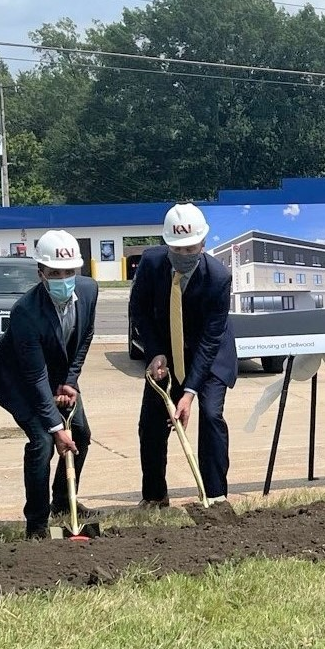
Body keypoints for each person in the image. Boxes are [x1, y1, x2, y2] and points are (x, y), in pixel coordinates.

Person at [0, 229, 98, 538]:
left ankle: (63, 502)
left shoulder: (89, 291)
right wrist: (55, 426)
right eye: (55, 273)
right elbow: (34, 378)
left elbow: (85, 336)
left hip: (57, 374)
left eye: (69, 271)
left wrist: (70, 380)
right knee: (43, 441)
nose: (63, 278)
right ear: (41, 273)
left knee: (82, 434)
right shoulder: (26, 312)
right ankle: (36, 522)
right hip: (15, 379)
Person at [129, 203, 239, 506]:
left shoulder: (218, 277)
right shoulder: (151, 265)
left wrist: (189, 392)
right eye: (177, 249)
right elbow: (139, 312)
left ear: (203, 244)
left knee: (211, 416)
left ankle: (216, 495)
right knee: (152, 422)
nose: (184, 255)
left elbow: (211, 337)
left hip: (211, 353)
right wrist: (155, 353)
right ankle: (154, 497)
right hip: (166, 352)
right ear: (166, 245)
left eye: (191, 249)